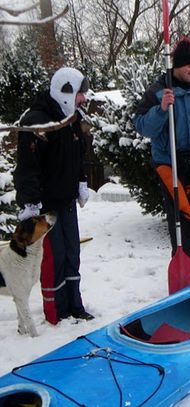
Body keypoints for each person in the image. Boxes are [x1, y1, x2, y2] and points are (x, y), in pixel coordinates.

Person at [134, 36, 190, 277]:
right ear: (176, 66)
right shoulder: (158, 91)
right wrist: (161, 109)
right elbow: (142, 126)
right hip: (172, 166)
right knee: (180, 223)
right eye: (189, 66)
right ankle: (186, 268)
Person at [13, 67, 94, 324]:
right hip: (45, 207)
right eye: (80, 93)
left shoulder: (72, 119)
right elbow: (27, 167)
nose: (83, 98)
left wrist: (81, 181)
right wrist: (30, 202)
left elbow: (78, 155)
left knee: (72, 254)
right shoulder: (38, 121)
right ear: (66, 92)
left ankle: (74, 305)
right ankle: (55, 311)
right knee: (54, 258)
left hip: (67, 200)